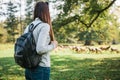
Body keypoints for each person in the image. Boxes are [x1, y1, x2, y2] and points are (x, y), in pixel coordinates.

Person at [24, 1, 58, 80]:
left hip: (29, 68)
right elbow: (40, 49)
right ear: (46, 12)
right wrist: (54, 45)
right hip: (41, 68)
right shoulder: (44, 26)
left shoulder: (29, 26)